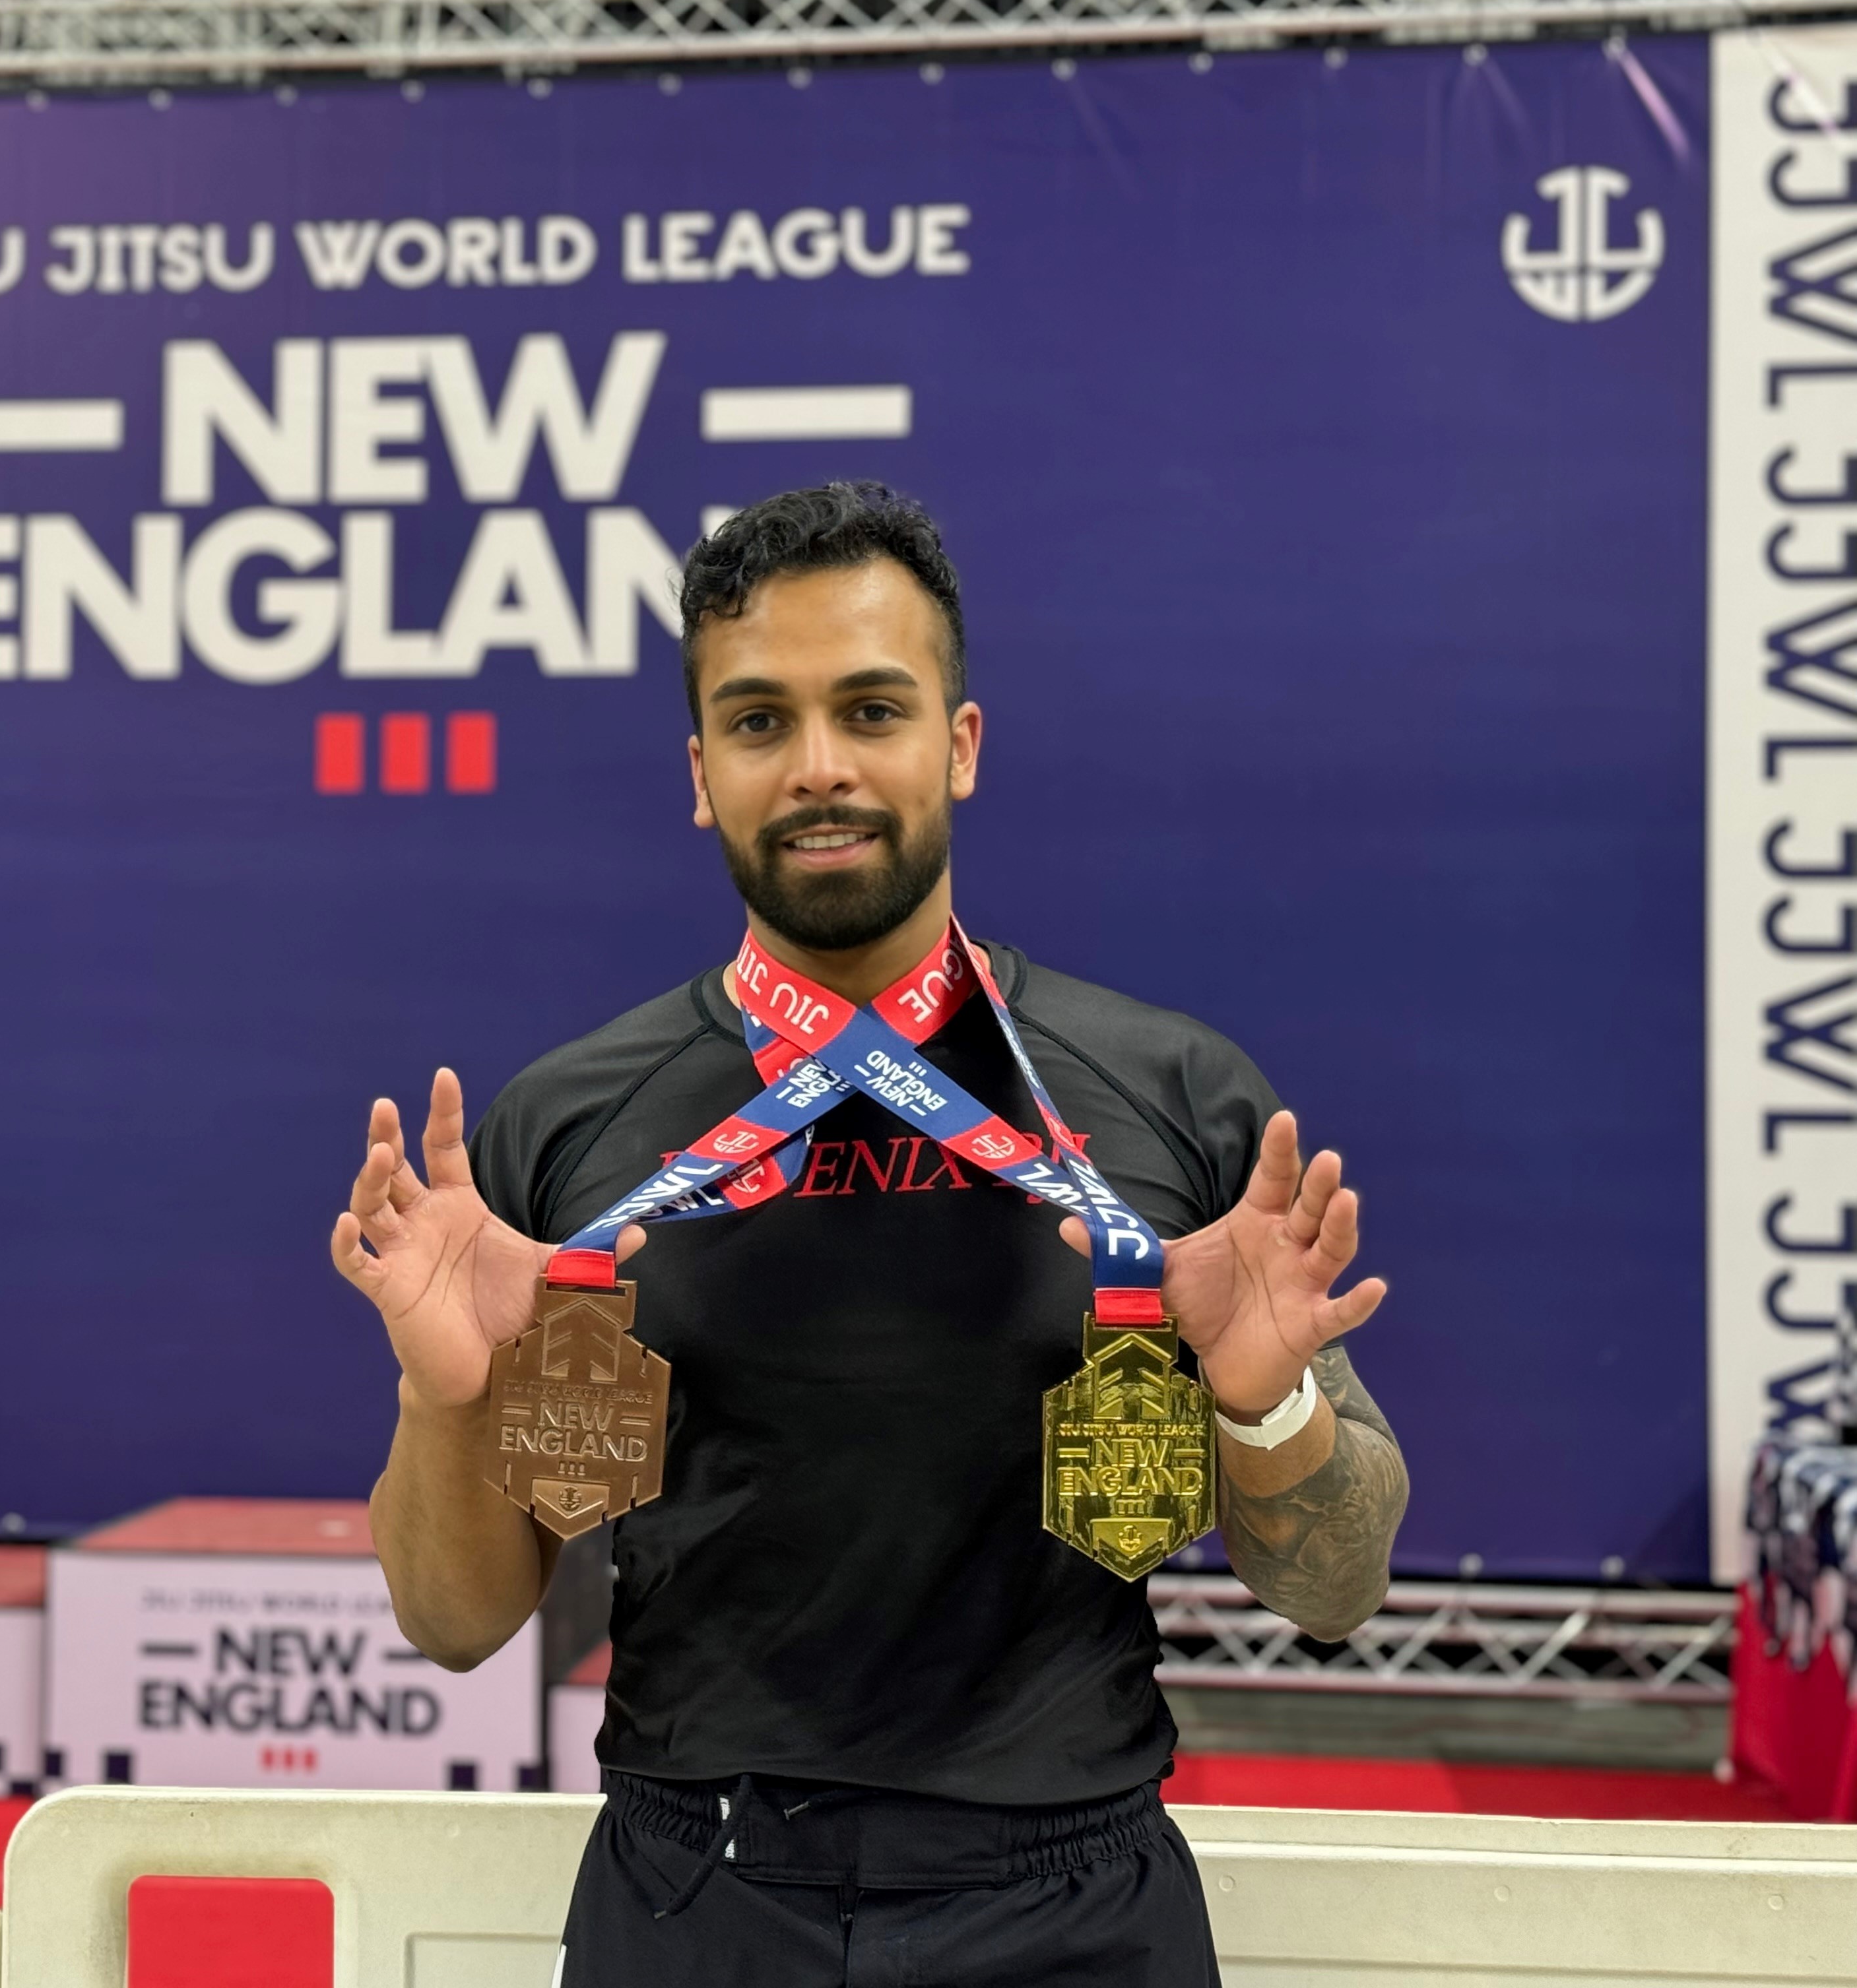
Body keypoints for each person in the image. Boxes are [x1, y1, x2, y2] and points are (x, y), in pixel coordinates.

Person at [330, 481, 1410, 1987]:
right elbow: (457, 1625)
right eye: (761, 722)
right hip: (695, 1899)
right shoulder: (562, 1130)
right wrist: (443, 1398)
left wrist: (1263, 1399)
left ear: (957, 747)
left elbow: (1339, 1590)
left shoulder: (1171, 1102)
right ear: (700, 771)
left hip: (1074, 1900)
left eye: (873, 710)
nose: (820, 768)